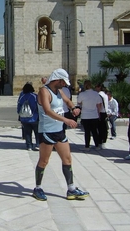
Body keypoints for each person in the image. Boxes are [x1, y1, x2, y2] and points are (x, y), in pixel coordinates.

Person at [33, 68, 88, 201]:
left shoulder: (59, 91)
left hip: (59, 131)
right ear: (57, 80)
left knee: (67, 159)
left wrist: (73, 108)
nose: (65, 84)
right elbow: (47, 111)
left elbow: (68, 101)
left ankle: (71, 189)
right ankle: (38, 188)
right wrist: (67, 120)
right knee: (44, 161)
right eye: (63, 82)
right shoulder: (44, 91)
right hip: (47, 131)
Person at [77, 80, 102, 151]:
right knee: (94, 131)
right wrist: (99, 113)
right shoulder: (96, 94)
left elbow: (79, 103)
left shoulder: (82, 94)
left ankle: (87, 146)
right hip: (94, 115)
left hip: (85, 115)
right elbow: (99, 105)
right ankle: (97, 145)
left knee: (87, 131)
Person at [17, 82, 39, 151]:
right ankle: (38, 145)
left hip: (24, 119)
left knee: (27, 133)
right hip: (34, 118)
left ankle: (29, 146)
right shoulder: (35, 96)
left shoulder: (22, 97)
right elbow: (39, 106)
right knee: (37, 132)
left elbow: (18, 109)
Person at [95, 83, 109, 149]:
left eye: (96, 87)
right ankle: (103, 142)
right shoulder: (105, 95)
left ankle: (100, 142)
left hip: (100, 113)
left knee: (100, 129)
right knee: (104, 128)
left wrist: (98, 114)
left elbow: (99, 105)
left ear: (99, 87)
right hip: (105, 112)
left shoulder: (99, 95)